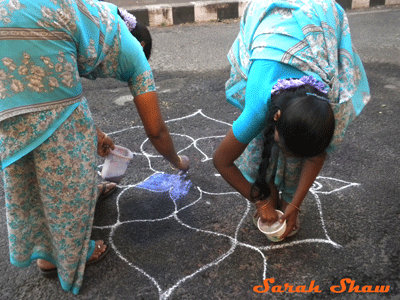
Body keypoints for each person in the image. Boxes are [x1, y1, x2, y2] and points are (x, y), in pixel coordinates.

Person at [0, 0, 188, 295]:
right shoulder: (135, 54)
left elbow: (61, 90)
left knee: (32, 145)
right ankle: (63, 257)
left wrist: (95, 132)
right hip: (30, 28)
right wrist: (177, 161)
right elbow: (156, 130)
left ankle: (79, 204)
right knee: (62, 158)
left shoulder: (99, 18)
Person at [213, 0, 370, 241]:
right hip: (269, 21)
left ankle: (284, 196)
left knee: (298, 143)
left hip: (318, 17)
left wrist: (294, 205)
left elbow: (317, 154)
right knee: (258, 143)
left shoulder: (329, 104)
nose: (293, 159)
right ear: (275, 116)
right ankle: (273, 189)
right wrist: (261, 201)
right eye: (289, 151)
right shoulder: (258, 107)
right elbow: (221, 160)